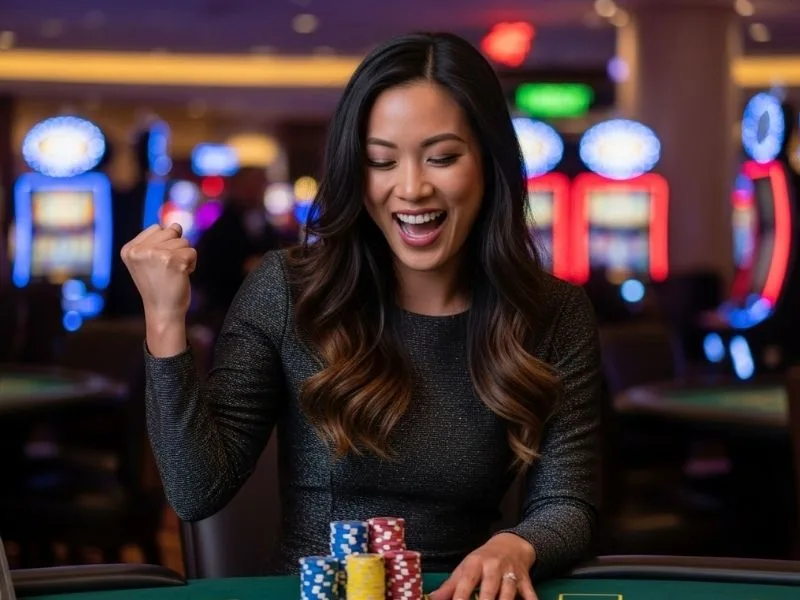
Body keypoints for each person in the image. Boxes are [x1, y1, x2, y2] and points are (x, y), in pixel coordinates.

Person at [121, 32, 603, 600]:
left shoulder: (553, 312)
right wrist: (164, 318)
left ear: (488, 161)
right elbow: (197, 490)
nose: (411, 188)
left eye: (442, 157)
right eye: (381, 161)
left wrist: (518, 544)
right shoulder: (288, 291)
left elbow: (568, 502)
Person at [192, 166, 281, 324]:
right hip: (228, 309)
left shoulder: (265, 223)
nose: (257, 190)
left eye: (260, 185)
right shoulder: (221, 228)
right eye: (251, 184)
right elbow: (210, 270)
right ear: (237, 187)